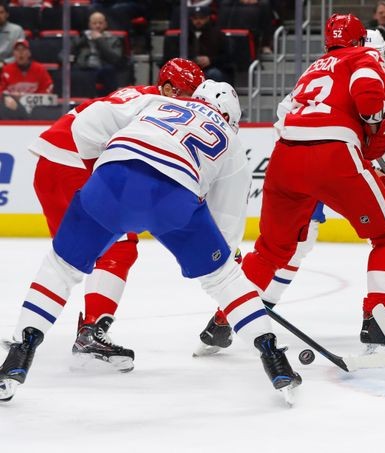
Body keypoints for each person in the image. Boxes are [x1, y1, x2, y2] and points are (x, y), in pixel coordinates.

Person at [0, 80, 302, 402]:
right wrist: (221, 257)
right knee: (224, 278)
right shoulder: (231, 141)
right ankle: (274, 359)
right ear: (231, 118)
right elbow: (226, 223)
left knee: (61, 268)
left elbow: (88, 126)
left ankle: (19, 355)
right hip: (176, 198)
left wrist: (106, 170)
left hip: (113, 178)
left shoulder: (155, 102)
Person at [239, 14, 385, 351]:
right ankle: (378, 322)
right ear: (362, 41)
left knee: (270, 249)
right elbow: (368, 91)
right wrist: (373, 123)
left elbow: (286, 113)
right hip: (332, 154)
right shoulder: (364, 56)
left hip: (285, 156)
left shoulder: (314, 67)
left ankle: (224, 318)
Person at [28, 58, 205, 372]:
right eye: (187, 94)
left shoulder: (138, 97)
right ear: (166, 87)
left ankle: (30, 329)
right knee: (120, 246)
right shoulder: (157, 109)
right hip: (73, 164)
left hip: (49, 166)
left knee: (75, 255)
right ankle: (91, 333)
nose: (191, 103)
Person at [163, 6, 228, 83]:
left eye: (202, 18)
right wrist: (190, 60)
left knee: (214, 74)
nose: (198, 21)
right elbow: (173, 55)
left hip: (211, 68)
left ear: (208, 18)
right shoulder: (184, 36)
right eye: (195, 18)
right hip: (188, 70)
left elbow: (227, 57)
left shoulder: (218, 35)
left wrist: (210, 60)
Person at [72, 11, 126, 96]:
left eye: (100, 23)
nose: (97, 26)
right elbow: (67, 53)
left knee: (109, 70)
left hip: (102, 68)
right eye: (94, 23)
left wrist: (100, 40)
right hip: (84, 67)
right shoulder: (80, 38)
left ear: (105, 24)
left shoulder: (113, 39)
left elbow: (115, 59)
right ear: (89, 25)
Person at [0, 39, 53, 120]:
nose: (20, 53)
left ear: (29, 53)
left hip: (36, 110)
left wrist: (31, 98)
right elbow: (1, 89)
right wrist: (5, 97)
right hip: (12, 110)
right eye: (17, 50)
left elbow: (48, 89)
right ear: (13, 53)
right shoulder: (6, 70)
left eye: (23, 49)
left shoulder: (39, 69)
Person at [0, 1, 25, 69]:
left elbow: (21, 53)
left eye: (1, 12)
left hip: (10, 66)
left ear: (7, 14)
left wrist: (4, 63)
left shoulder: (17, 30)